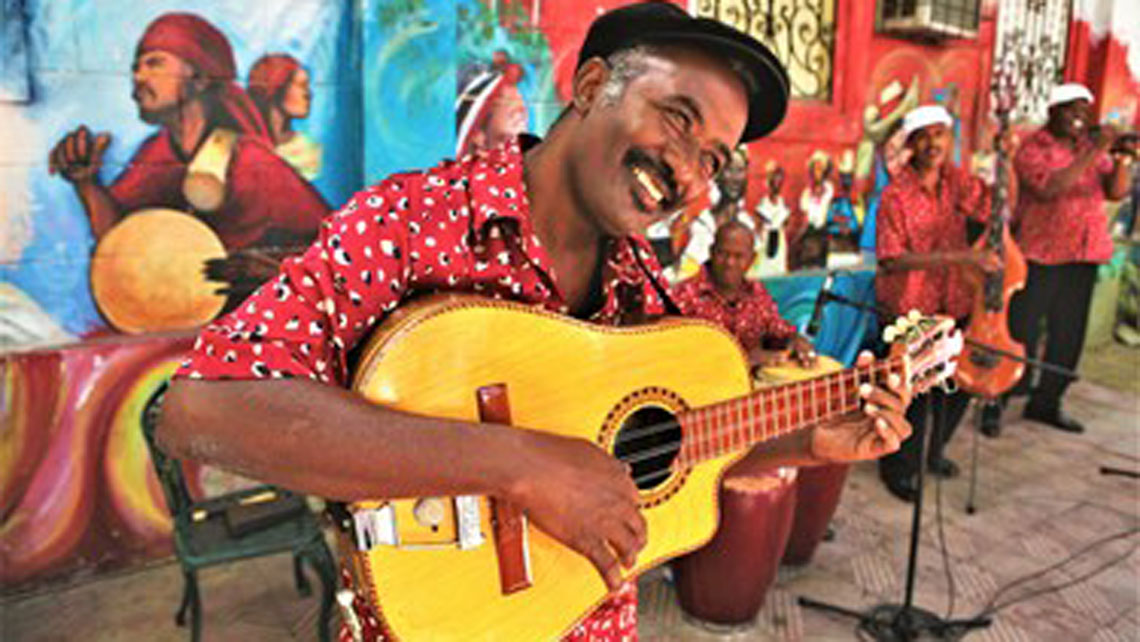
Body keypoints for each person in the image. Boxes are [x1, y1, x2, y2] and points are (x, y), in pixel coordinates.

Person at [158, 4, 913, 640]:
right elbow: (201, 410)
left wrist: (805, 441)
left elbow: (666, 453)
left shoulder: (647, 291)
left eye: (713, 160)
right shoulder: (412, 223)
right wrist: (517, 464)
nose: (687, 171)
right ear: (590, 86)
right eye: (677, 120)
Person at [47, 13, 330, 302]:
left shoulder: (248, 160)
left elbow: (333, 247)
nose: (138, 78)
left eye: (154, 63)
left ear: (199, 79)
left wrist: (274, 271)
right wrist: (87, 183)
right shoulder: (156, 155)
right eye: (136, 68)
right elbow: (118, 240)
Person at [874, 104, 1006, 503]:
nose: (932, 143)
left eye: (939, 134)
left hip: (956, 300)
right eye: (923, 136)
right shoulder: (895, 194)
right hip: (911, 308)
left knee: (957, 385)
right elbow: (891, 258)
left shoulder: (957, 182)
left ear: (950, 139)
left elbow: (997, 208)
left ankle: (933, 452)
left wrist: (1007, 159)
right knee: (912, 396)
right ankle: (898, 468)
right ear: (911, 144)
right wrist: (962, 257)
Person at [1004, 83, 1135, 433]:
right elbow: (1049, 188)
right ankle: (997, 402)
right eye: (1071, 109)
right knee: (1022, 331)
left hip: (1083, 254)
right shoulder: (1033, 147)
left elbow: (1116, 191)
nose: (1079, 117)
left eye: (1084, 110)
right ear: (1053, 111)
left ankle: (1047, 402)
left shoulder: (1086, 147)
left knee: (1068, 335)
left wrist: (1123, 158)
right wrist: (1097, 149)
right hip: (1041, 254)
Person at [672, 220, 815, 371]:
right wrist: (744, 358)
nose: (730, 263)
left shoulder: (756, 292)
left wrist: (794, 340)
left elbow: (776, 329)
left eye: (739, 256)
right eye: (723, 253)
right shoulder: (684, 296)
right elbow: (672, 356)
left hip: (753, 383)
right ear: (711, 252)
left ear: (751, 259)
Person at [675, 146, 757, 280]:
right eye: (729, 170)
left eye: (740, 170)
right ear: (717, 176)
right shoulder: (700, 226)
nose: (735, 178)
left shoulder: (749, 225)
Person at [248, 53, 323, 180]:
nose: (309, 94)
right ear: (277, 87)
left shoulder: (306, 150)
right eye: (302, 86)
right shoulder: (243, 144)